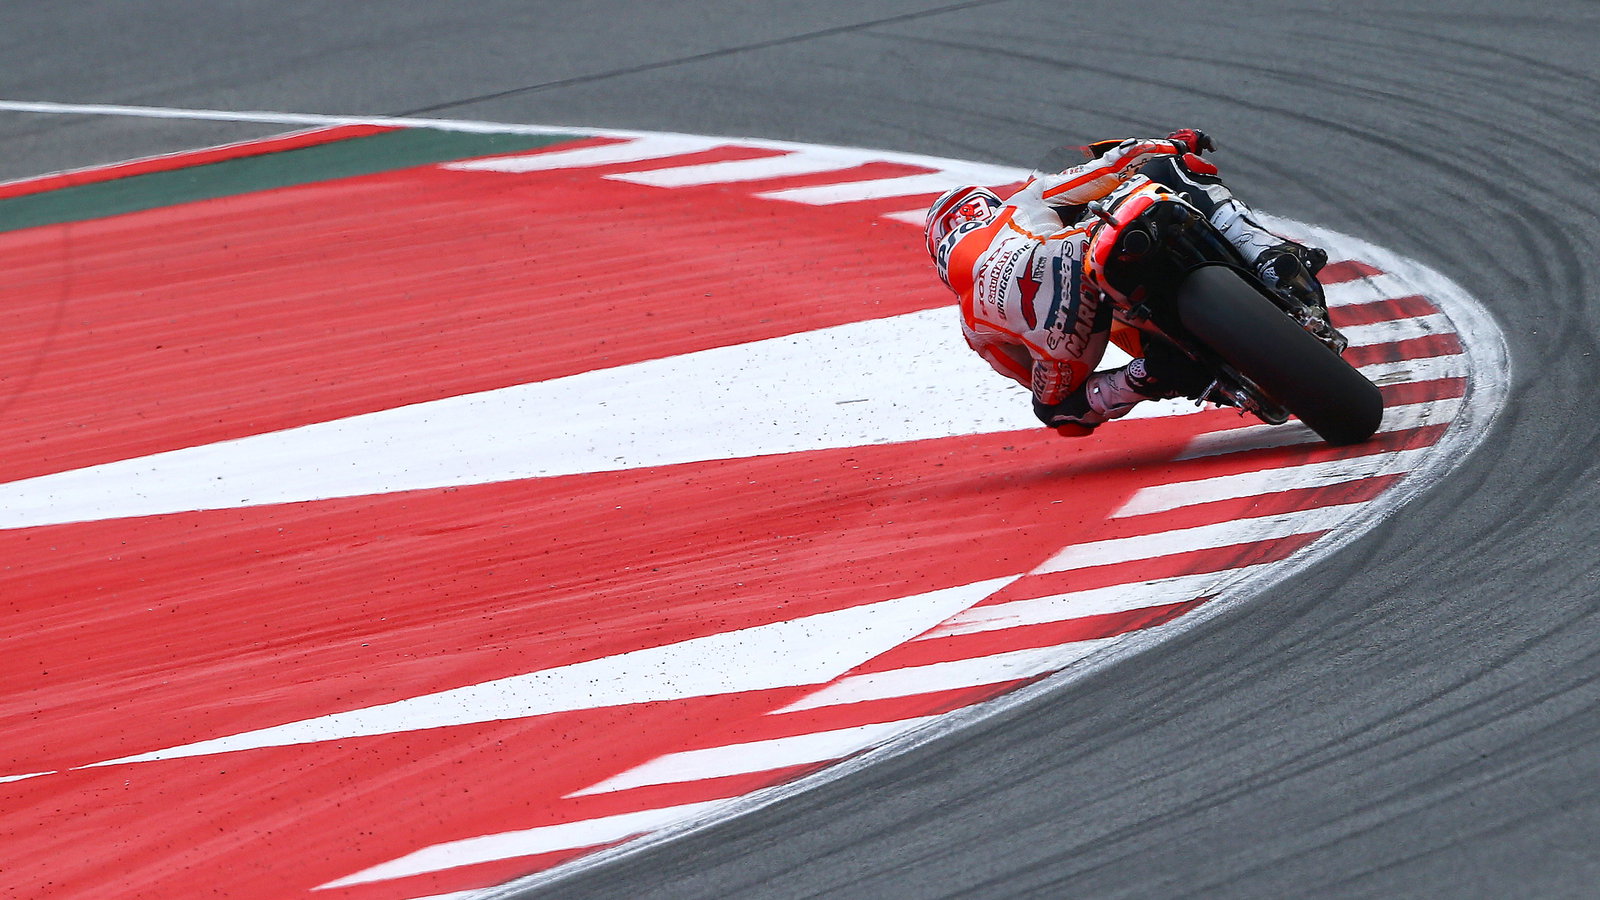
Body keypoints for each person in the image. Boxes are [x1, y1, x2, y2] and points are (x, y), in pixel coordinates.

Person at [924, 129, 1332, 436]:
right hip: (1072, 251)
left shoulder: (969, 322)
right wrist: (1174, 144)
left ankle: (1146, 375)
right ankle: (1267, 256)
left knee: (1057, 412)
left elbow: (1031, 380)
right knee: (1171, 170)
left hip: (1062, 333)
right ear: (985, 204)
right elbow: (1114, 164)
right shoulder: (1021, 201)